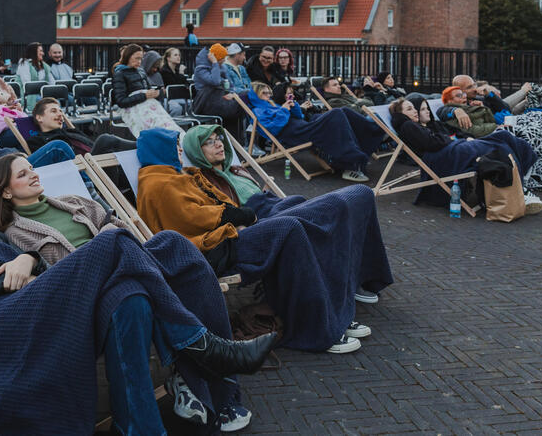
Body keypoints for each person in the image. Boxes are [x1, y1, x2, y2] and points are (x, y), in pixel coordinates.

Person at [0, 165, 272, 434]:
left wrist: (29, 260)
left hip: (31, 307)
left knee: (152, 266)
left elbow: (43, 273)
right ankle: (205, 347)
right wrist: (1, 280)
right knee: (112, 240)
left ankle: (141, 425)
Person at [136, 128, 392, 354]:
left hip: (232, 234)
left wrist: (239, 216)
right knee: (289, 226)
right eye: (175, 147)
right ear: (160, 150)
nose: (180, 152)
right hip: (215, 249)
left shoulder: (176, 176)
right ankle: (318, 329)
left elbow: (215, 207)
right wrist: (238, 218)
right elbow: (192, 219)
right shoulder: (158, 183)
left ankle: (337, 302)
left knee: (346, 198)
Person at [389, 97, 542, 211]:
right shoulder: (407, 125)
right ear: (400, 113)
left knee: (502, 137)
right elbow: (431, 143)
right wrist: (447, 139)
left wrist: (447, 138)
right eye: (409, 109)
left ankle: (521, 179)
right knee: (498, 147)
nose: (415, 111)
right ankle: (519, 189)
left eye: (414, 108)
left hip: (451, 149)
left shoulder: (416, 125)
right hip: (444, 155)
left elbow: (435, 139)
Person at [248, 82, 384, 182]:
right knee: (336, 113)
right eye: (264, 93)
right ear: (256, 95)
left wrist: (294, 106)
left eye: (269, 92)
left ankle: (375, 132)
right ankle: (351, 164)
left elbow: (299, 116)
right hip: (296, 135)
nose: (268, 95)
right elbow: (273, 129)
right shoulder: (258, 111)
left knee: (344, 112)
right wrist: (284, 110)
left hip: (304, 127)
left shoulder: (273, 105)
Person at [112, 44, 182, 136]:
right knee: (156, 125)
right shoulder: (119, 74)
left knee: (165, 122)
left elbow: (148, 90)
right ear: (128, 57)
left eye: (141, 59)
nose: (139, 62)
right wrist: (144, 95)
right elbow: (121, 101)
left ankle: (178, 139)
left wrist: (158, 93)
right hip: (132, 108)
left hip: (146, 104)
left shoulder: (140, 72)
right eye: (137, 58)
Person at [28, 97, 135, 156]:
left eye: (61, 111)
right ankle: (142, 144)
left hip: (101, 164)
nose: (60, 114)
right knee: (105, 139)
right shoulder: (37, 141)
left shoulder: (71, 132)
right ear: (39, 118)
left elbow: (90, 145)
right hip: (84, 170)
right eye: (53, 111)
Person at [192, 43, 246, 138]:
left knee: (243, 100)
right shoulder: (200, 70)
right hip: (206, 101)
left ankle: (238, 140)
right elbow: (215, 81)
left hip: (220, 98)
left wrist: (232, 92)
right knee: (238, 106)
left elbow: (230, 84)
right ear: (216, 58)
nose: (224, 61)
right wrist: (215, 63)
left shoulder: (221, 67)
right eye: (222, 58)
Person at [15, 42, 52, 108]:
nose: (43, 53)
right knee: (51, 103)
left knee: (67, 99)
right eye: (40, 51)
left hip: (42, 93)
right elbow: (27, 84)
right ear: (33, 52)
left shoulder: (44, 66)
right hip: (29, 96)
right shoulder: (24, 64)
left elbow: (52, 82)